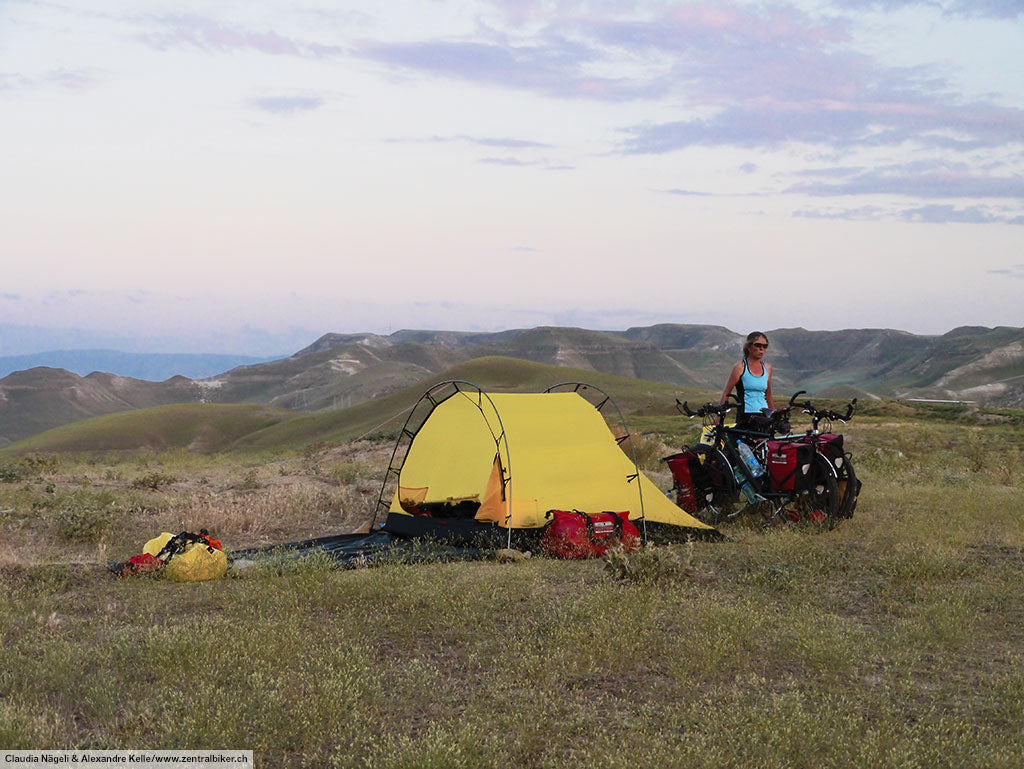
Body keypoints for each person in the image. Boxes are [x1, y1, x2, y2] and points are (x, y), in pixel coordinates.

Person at [720, 331, 776, 427]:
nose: (761, 349)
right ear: (749, 347)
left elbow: (768, 394)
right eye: (758, 345)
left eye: (765, 346)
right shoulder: (740, 368)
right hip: (746, 417)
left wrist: (774, 416)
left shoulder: (768, 368)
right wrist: (719, 416)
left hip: (764, 417)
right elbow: (727, 393)